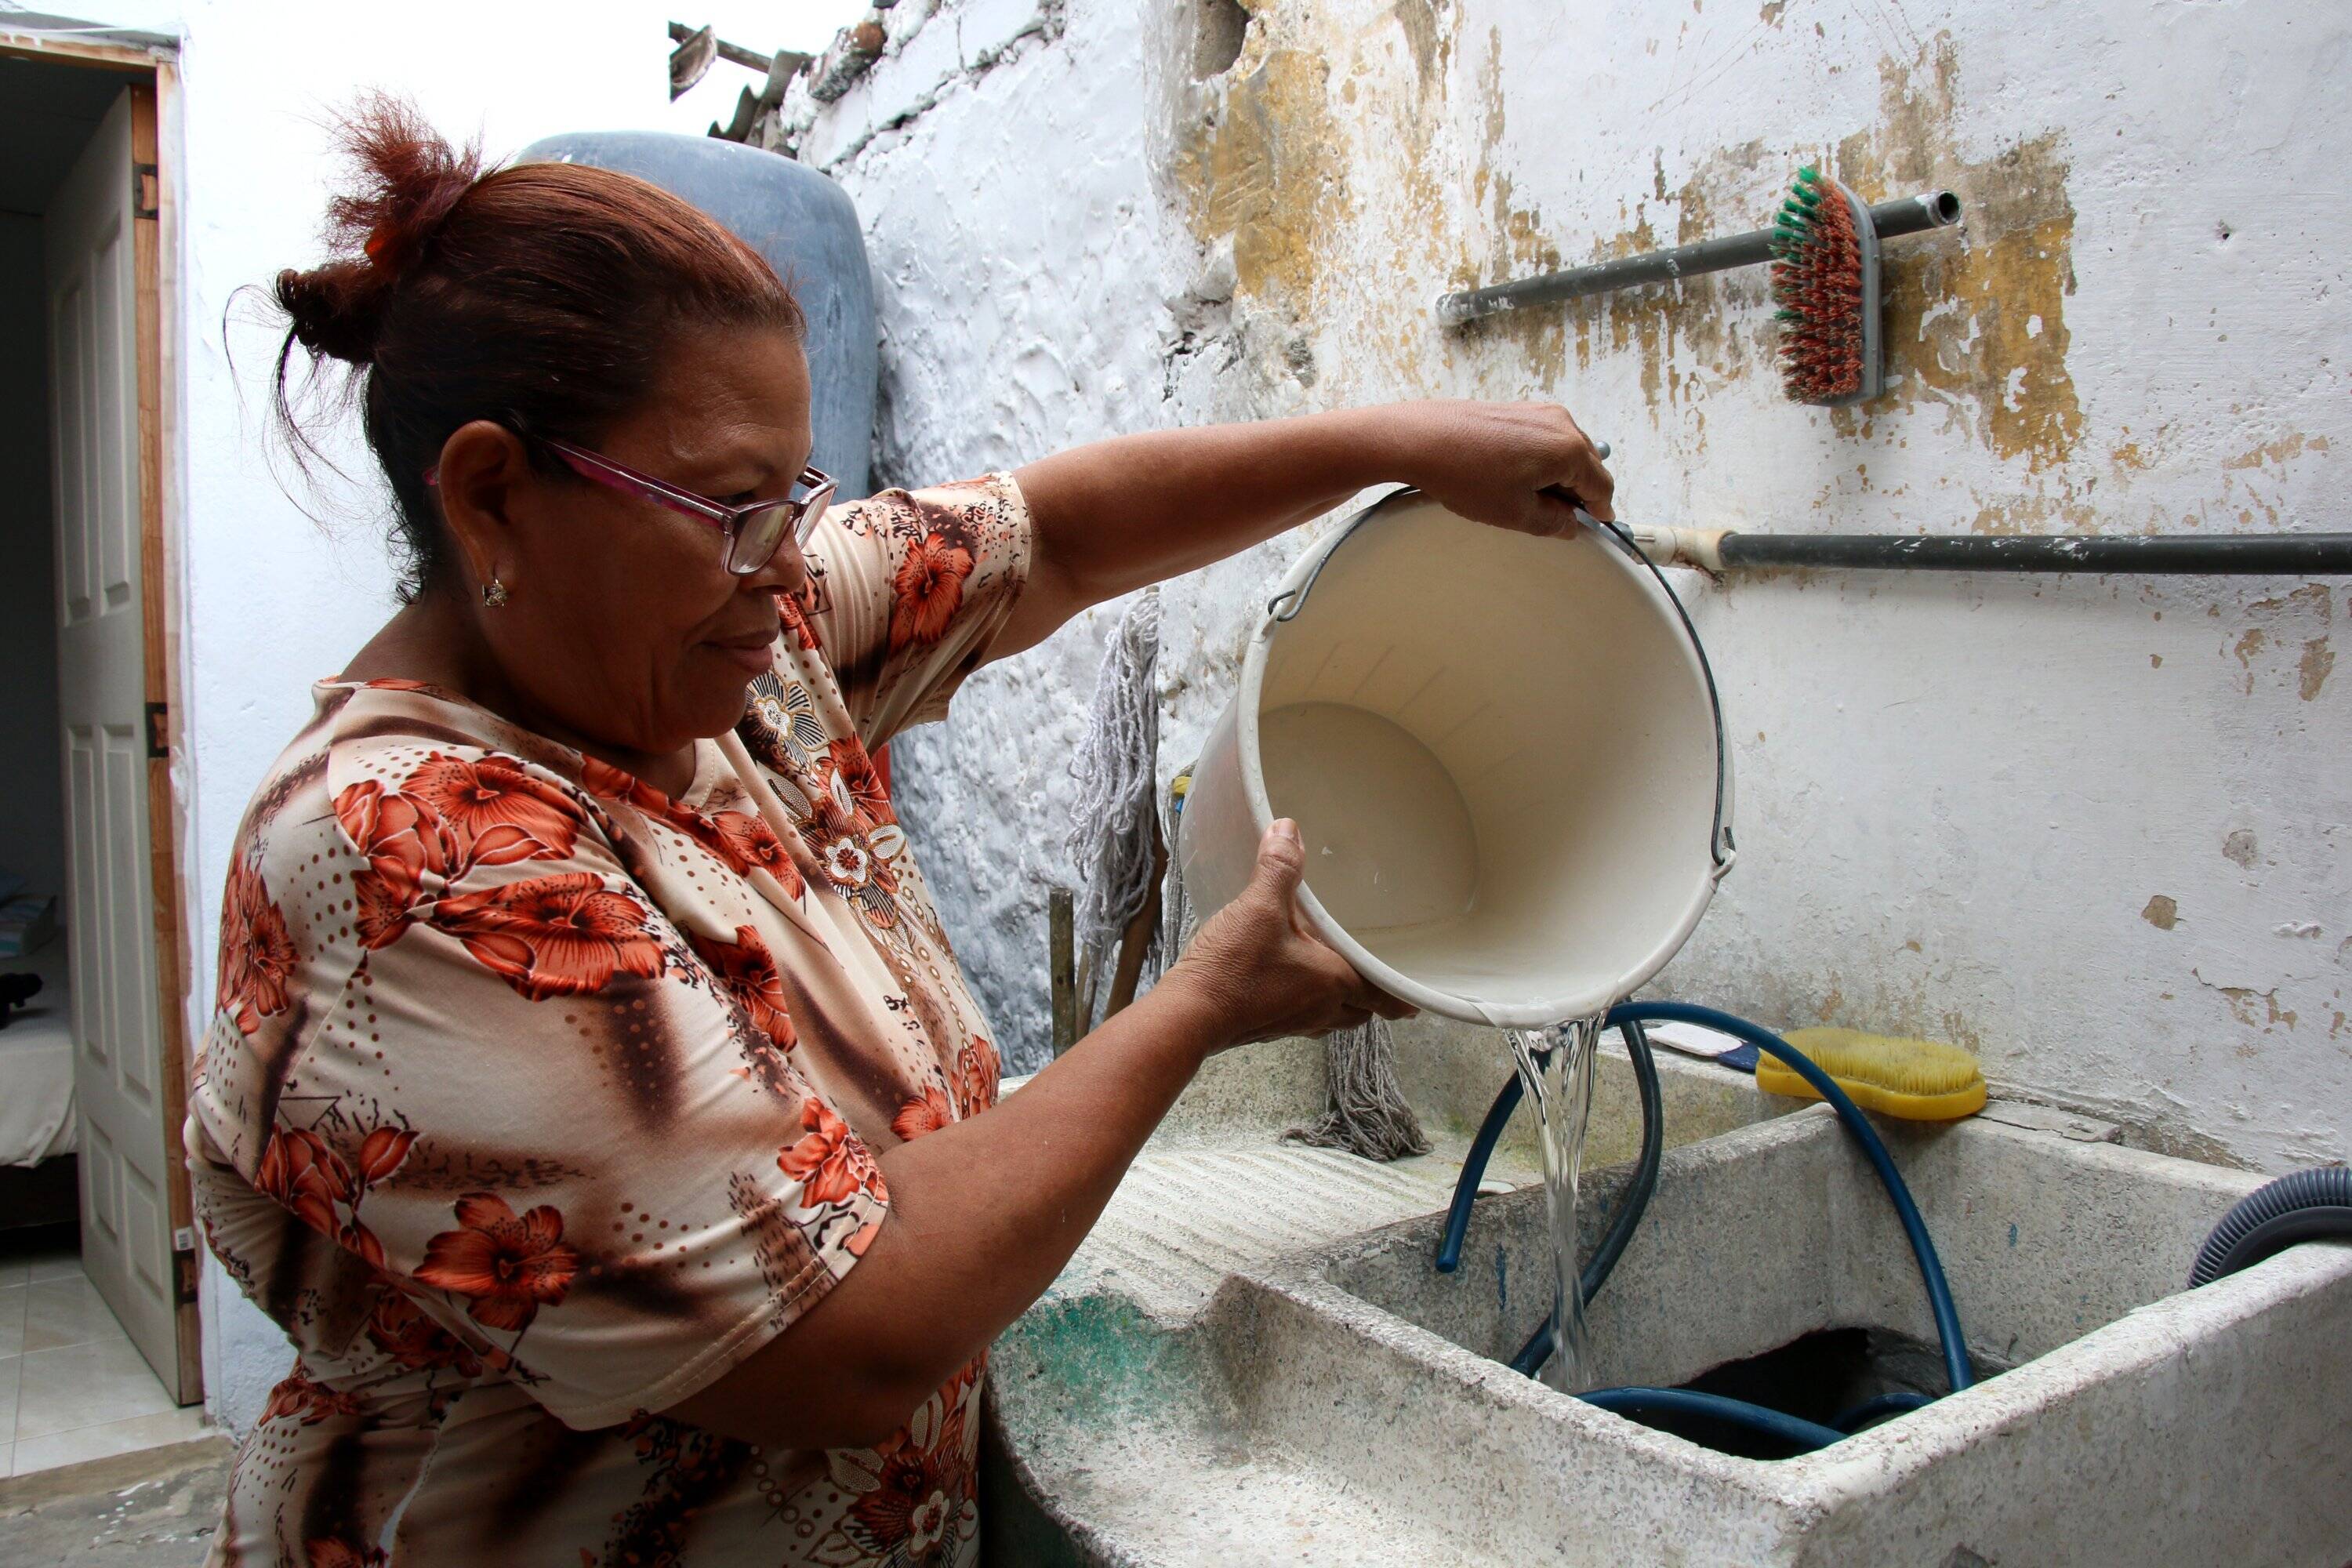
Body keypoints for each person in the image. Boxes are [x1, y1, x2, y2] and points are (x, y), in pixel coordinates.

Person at [190, 96, 1615, 1566]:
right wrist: (1196, 1010)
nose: (788, 561)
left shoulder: (735, 657)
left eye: (796, 496)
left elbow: (1048, 533)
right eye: (736, 505)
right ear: (494, 496)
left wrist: (1398, 441)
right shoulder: (403, 857)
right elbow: (849, 1329)